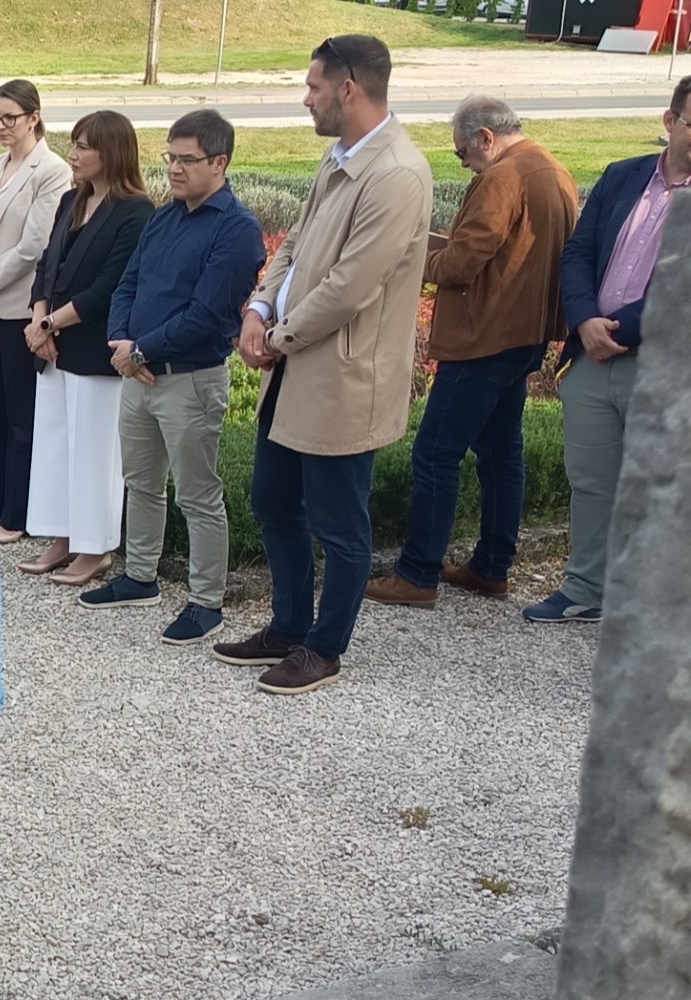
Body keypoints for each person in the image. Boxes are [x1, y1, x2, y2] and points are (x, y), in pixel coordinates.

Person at [215, 35, 433, 695]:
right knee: (274, 499)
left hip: (342, 376)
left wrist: (277, 337)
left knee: (340, 522)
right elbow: (295, 247)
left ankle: (324, 647)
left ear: (348, 88)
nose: (305, 99)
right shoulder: (338, 157)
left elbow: (350, 286)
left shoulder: (396, 174)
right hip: (295, 365)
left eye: (313, 87)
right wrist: (257, 308)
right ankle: (287, 626)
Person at [527, 73, 691, 625]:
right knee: (592, 481)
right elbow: (578, 253)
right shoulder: (622, 175)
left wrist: (614, 330)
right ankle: (586, 589)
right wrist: (584, 320)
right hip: (593, 362)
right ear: (670, 120)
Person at [365, 97, 578, 610]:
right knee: (501, 451)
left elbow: (463, 262)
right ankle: (491, 566)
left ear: (486, 137)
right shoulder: (554, 169)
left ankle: (417, 574)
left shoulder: (501, 177)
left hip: (485, 336)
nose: (463, 164)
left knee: (435, 452)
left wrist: (409, 261)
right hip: (526, 335)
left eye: (463, 153)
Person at [80, 110, 267, 644]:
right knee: (140, 482)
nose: (174, 168)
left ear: (220, 162)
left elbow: (207, 314)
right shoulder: (164, 218)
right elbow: (127, 284)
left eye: (187, 159)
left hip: (190, 379)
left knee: (197, 494)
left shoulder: (237, 230)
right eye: (171, 157)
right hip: (138, 374)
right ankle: (140, 576)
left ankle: (206, 601)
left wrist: (139, 350)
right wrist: (122, 343)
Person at [18, 111, 153, 588]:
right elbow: (46, 265)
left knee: (94, 451)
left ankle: (95, 547)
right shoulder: (71, 200)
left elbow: (108, 286)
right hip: (54, 346)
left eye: (83, 146)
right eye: (73, 144)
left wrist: (49, 323)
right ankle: (64, 536)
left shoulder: (135, 212)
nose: (72, 155)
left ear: (110, 153)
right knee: (56, 446)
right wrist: (39, 318)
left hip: (95, 348)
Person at [0, 79, 71, 548]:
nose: (1, 126)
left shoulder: (51, 171)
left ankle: (18, 511)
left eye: (10, 117)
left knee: (20, 414)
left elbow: (31, 248)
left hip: (16, 306)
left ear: (34, 118)